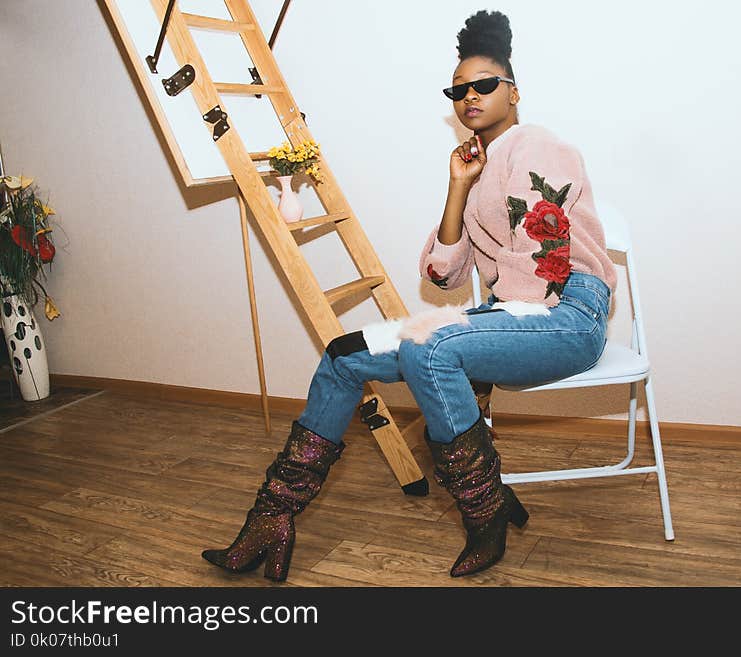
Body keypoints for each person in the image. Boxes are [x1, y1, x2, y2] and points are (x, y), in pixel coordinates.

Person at [201, 9, 617, 582]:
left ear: (513, 93)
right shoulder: (476, 169)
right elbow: (443, 271)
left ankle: (485, 513)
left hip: (567, 313)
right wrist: (457, 187)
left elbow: (542, 261)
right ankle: (272, 517)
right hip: (509, 315)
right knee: (345, 355)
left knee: (432, 348)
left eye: (484, 85)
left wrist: (471, 325)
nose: (469, 96)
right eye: (458, 89)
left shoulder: (539, 145)